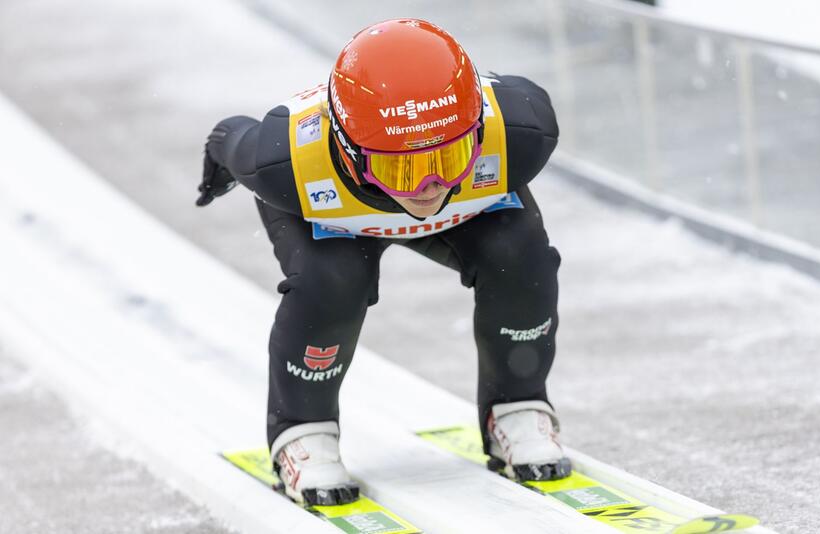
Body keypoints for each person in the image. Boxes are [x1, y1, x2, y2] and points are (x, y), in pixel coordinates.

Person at [198, 18, 568, 506]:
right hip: (336, 218)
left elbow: (520, 97)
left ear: (478, 131)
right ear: (349, 152)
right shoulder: (282, 161)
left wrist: (416, 166)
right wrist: (218, 162)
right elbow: (232, 136)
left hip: (470, 209)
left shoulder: (521, 132)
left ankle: (517, 404)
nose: (430, 186)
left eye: (452, 154)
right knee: (330, 281)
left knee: (521, 254)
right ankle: (303, 432)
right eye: (403, 167)